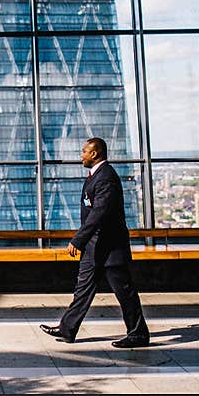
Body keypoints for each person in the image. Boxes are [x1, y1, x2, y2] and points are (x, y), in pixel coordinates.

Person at [40, 137, 150, 348]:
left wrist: (78, 240)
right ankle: (67, 328)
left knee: (124, 293)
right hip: (95, 247)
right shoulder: (96, 176)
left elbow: (99, 213)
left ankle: (138, 334)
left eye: (84, 152)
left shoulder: (106, 178)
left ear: (95, 154)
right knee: (83, 289)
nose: (81, 155)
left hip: (110, 248)